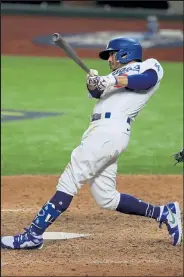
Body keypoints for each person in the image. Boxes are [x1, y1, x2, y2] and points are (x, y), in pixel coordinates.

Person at [1, 37, 182, 250]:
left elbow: (146, 81)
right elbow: (97, 92)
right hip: (98, 132)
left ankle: (33, 235)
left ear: (126, 53)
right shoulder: (110, 77)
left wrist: (112, 81)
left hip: (110, 131)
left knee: (70, 179)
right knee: (106, 197)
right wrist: (94, 83)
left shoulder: (148, 65)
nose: (110, 59)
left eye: (112, 54)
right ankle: (164, 213)